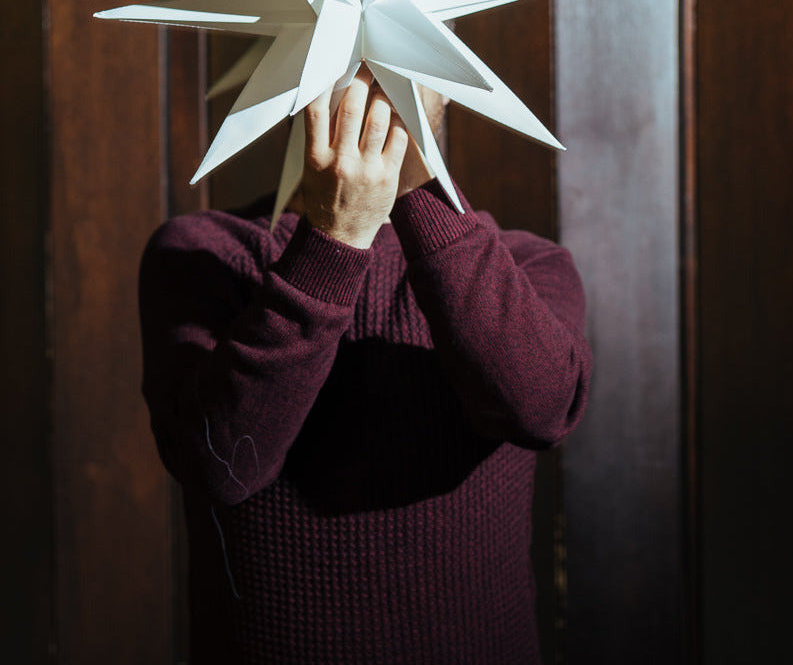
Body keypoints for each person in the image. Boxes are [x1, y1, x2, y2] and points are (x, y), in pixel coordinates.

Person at [139, 66, 592, 665]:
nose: (374, 68)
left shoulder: (530, 264)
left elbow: (542, 410)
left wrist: (414, 191)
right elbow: (222, 465)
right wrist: (334, 240)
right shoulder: (204, 253)